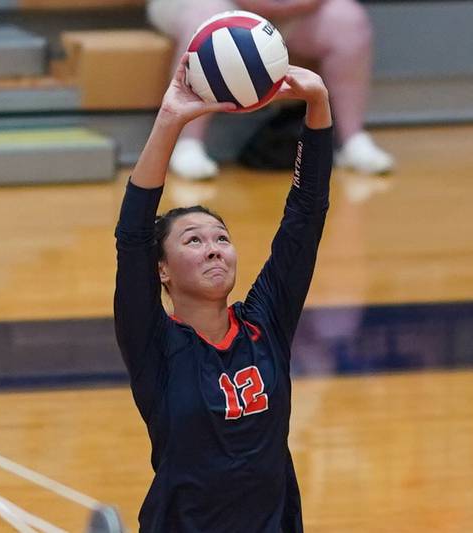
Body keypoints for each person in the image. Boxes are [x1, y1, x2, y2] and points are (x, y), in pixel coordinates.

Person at [114, 53, 332, 532]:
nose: (214, 250)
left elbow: (306, 217)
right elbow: (131, 237)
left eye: (221, 238)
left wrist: (318, 105)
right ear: (162, 272)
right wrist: (170, 120)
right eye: (194, 240)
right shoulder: (155, 346)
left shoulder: (265, 324)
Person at [147, 0, 393, 180]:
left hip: (291, 7)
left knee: (349, 22)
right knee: (210, 21)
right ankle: (187, 144)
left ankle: (352, 141)